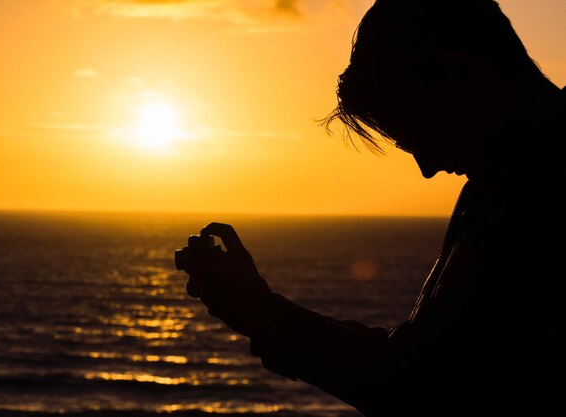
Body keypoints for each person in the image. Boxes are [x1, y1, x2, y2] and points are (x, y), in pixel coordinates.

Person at [177, 1, 565, 415]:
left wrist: (262, 313)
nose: (428, 168)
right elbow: (422, 360)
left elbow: (420, 386)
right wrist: (263, 311)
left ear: (459, 74)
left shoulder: (531, 195)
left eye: (419, 133)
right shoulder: (501, 181)